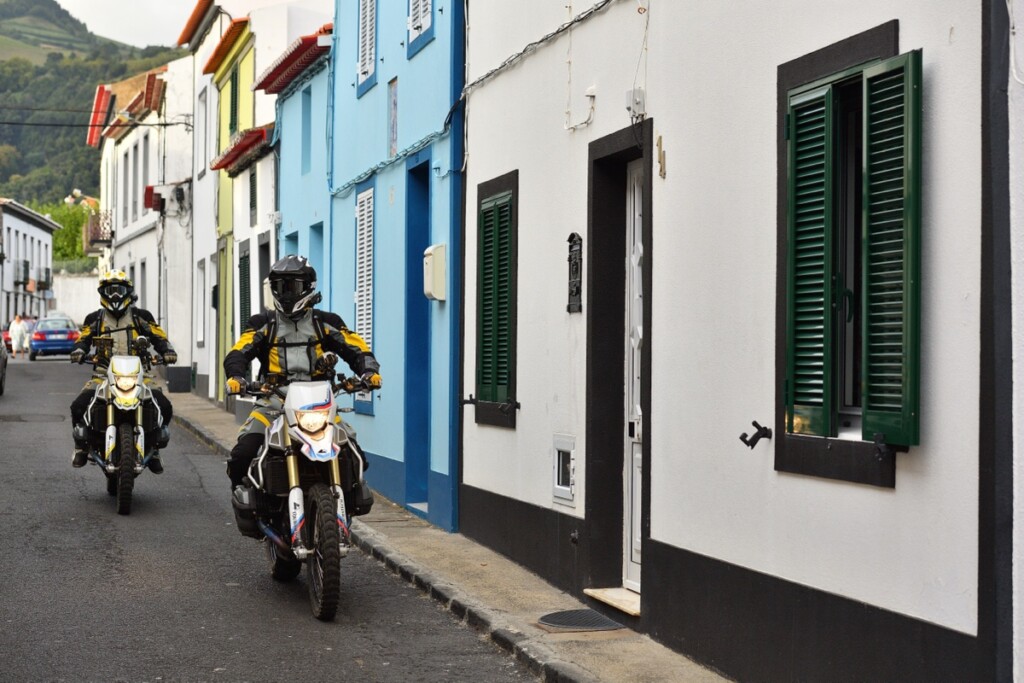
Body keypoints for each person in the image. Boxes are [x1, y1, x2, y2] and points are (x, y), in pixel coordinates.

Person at [223, 254, 381, 490]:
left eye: (292, 287)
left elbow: (356, 348)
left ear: (308, 287)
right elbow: (238, 352)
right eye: (280, 287)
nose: (286, 294)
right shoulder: (263, 323)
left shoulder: (325, 322)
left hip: (319, 405)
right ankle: (246, 497)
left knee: (354, 456)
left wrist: (369, 371)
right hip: (273, 402)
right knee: (243, 454)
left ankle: (348, 502)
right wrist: (236, 376)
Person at [69, 270, 177, 472]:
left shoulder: (141, 317)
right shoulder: (94, 318)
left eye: (119, 290)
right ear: (103, 292)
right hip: (103, 375)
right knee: (78, 406)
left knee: (164, 406)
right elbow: (82, 339)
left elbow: (159, 337)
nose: (115, 295)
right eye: (111, 291)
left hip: (140, 375)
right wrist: (79, 351)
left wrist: (168, 351)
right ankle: (81, 447)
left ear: (128, 291)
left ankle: (153, 448)